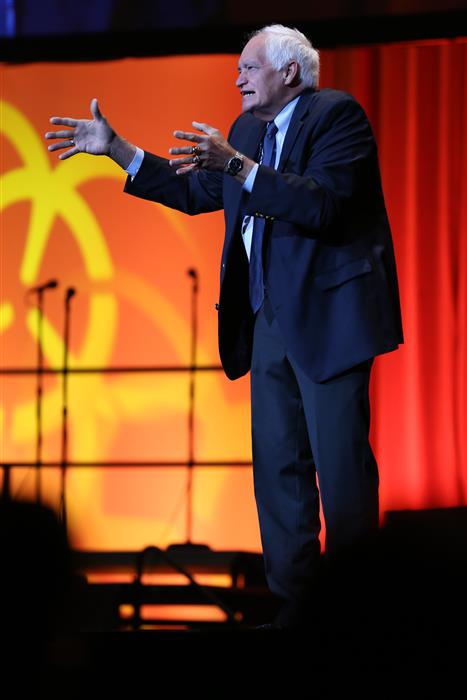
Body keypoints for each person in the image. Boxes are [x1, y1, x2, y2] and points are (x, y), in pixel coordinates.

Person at [45, 24, 403, 629]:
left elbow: (321, 203)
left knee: (341, 473)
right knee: (279, 473)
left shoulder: (335, 116)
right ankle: (296, 613)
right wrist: (117, 149)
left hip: (327, 319)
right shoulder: (245, 132)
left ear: (289, 72)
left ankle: (358, 620)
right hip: (267, 322)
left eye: (249, 67)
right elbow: (193, 192)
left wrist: (238, 166)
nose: (237, 79)